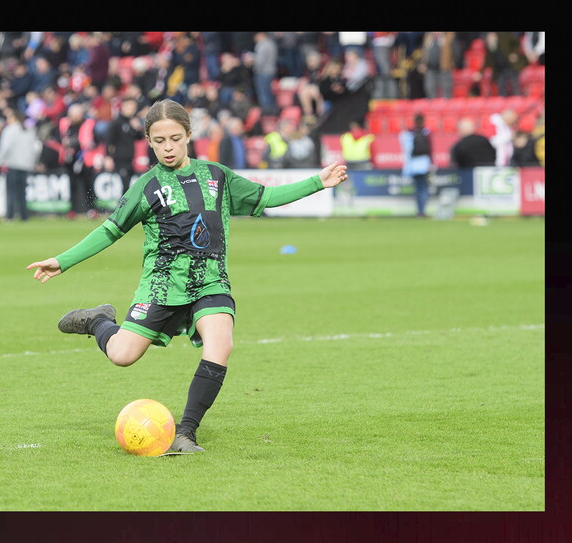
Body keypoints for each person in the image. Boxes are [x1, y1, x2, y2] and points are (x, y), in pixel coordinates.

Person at [24, 98, 349, 453]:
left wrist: (317, 181)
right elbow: (110, 230)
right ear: (148, 140)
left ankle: (185, 433)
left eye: (175, 139)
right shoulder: (145, 187)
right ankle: (99, 320)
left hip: (210, 282)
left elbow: (267, 197)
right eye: (160, 140)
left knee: (221, 343)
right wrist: (64, 260)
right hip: (162, 285)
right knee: (122, 355)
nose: (168, 147)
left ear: (189, 135)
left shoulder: (218, 177)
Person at [0, 108, 39, 222]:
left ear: (14, 118)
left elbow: (5, 147)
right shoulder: (29, 130)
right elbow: (36, 148)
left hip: (13, 164)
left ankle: (10, 215)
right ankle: (24, 215)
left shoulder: (10, 130)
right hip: (26, 165)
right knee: (22, 192)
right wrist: (32, 162)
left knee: (11, 191)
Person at [400, 113, 433, 217]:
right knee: (423, 187)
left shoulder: (409, 133)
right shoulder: (426, 132)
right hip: (424, 164)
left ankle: (420, 210)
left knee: (418, 188)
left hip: (414, 165)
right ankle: (422, 210)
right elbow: (430, 149)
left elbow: (406, 150)